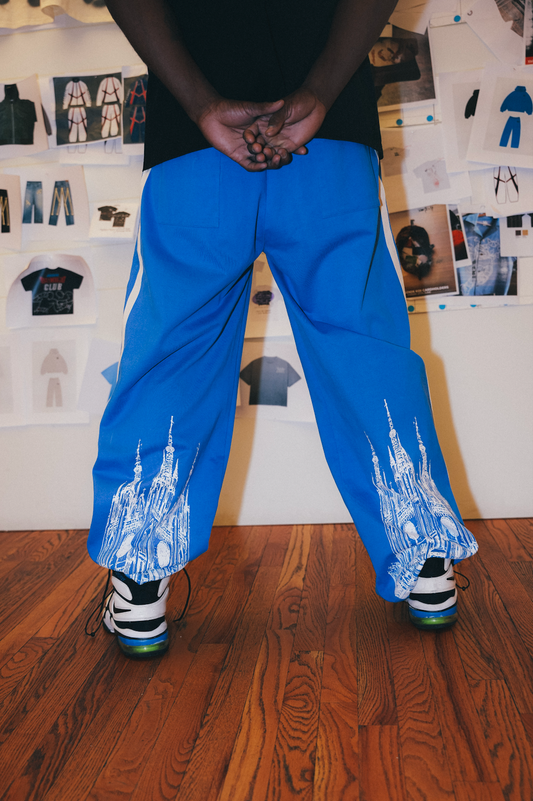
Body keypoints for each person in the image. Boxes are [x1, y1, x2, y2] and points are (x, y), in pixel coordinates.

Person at [87, 0, 478, 658]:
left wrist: (201, 104)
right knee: (364, 346)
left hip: (195, 143)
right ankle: (425, 566)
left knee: (172, 352)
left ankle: (139, 581)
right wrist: (320, 92)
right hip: (329, 139)